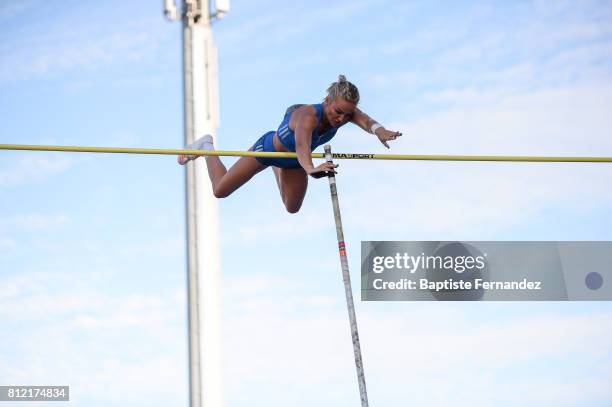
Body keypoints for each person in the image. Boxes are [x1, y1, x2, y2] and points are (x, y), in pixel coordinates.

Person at [178, 75, 402, 213]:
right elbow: (302, 145)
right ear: (327, 101)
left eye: (347, 114)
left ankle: (279, 167)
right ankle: (207, 147)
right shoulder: (308, 116)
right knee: (220, 190)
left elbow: (366, 121)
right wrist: (311, 168)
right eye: (338, 112)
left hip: (294, 162)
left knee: (292, 207)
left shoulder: (346, 113)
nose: (342, 118)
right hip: (268, 150)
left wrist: (380, 132)